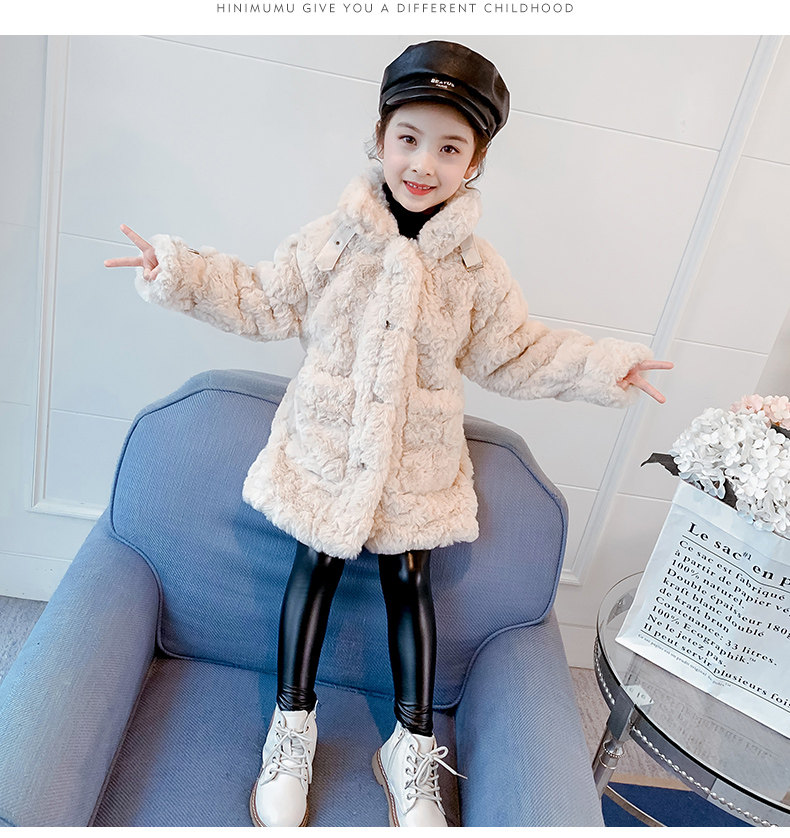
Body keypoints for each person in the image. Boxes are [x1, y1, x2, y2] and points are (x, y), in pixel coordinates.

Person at [105, 40, 672, 828]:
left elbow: (516, 352)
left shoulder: (474, 270)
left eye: (450, 148)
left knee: (411, 586)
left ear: (475, 162)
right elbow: (266, 298)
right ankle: (291, 728)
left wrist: (604, 368)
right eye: (409, 138)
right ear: (379, 137)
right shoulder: (335, 239)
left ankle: (409, 745)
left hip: (417, 471)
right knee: (313, 568)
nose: (423, 163)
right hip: (325, 457)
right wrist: (179, 271)